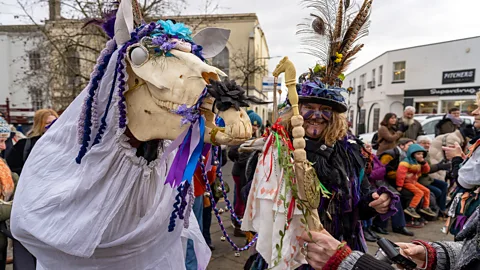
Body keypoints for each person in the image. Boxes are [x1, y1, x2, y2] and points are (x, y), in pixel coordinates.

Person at [296, 91, 480, 269]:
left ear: (336, 115)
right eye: (309, 107)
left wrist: (374, 202)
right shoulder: (278, 151)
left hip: (341, 247)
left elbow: (359, 200)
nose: (317, 115)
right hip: (295, 251)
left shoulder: (349, 151)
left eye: (325, 109)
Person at [227, 110, 263, 236]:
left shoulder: (254, 139)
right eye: (253, 124)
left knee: (242, 197)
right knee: (240, 198)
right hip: (239, 172)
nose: (255, 127)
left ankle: (239, 222)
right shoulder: (242, 137)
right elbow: (231, 153)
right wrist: (241, 159)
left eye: (257, 125)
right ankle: (238, 224)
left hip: (246, 172)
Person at [6, 109, 58, 176]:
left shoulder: (63, 143)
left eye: (54, 122)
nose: (52, 126)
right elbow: (13, 167)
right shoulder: (23, 144)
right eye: (47, 123)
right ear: (39, 124)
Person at [396, 143, 436, 218]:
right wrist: (399, 185)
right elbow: (400, 175)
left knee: (427, 191)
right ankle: (411, 208)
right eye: (418, 154)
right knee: (419, 193)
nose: (421, 156)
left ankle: (425, 207)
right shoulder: (405, 163)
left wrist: (424, 163)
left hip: (414, 182)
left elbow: (426, 170)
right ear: (412, 154)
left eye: (422, 154)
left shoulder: (417, 162)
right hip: (406, 182)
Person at [416, 136, 450, 215]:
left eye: (428, 143)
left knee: (444, 185)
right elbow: (425, 170)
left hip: (427, 178)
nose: (427, 145)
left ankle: (442, 210)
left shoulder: (426, 153)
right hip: (420, 180)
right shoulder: (417, 154)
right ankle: (434, 210)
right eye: (424, 143)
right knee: (437, 191)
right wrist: (439, 166)